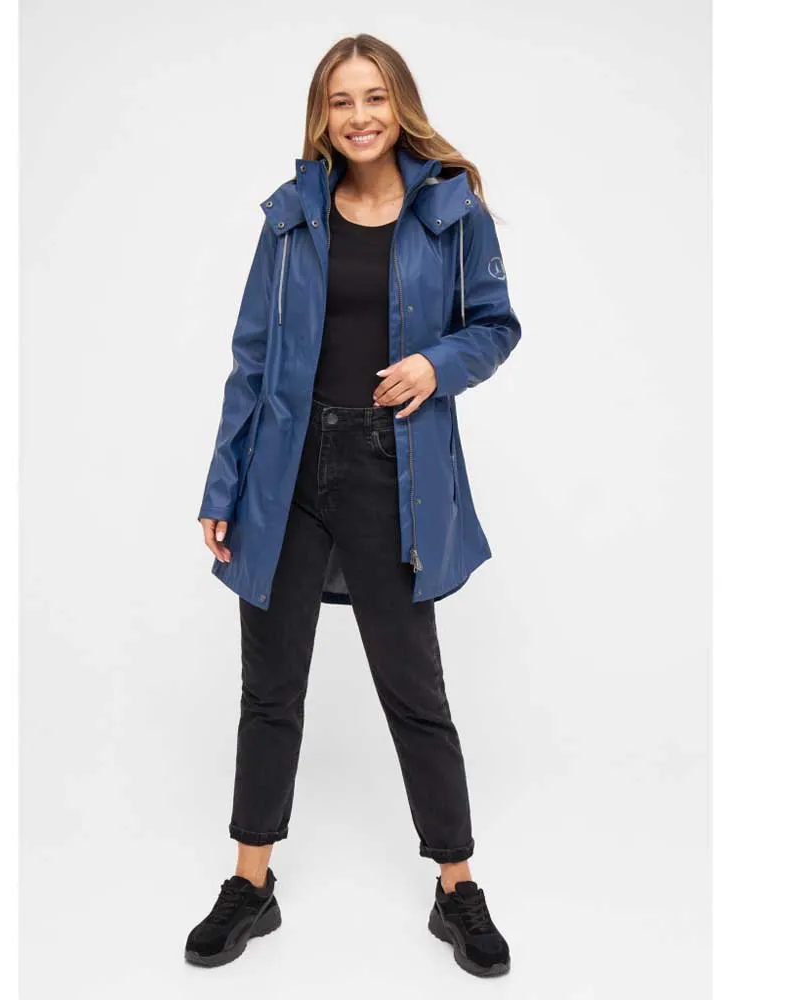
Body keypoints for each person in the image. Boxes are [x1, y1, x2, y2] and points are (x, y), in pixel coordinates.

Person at [185, 33, 521, 978]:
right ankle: (251, 885)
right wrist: (223, 483)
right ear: (322, 116)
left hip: (390, 467)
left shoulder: (452, 211)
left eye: (375, 97)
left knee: (415, 690)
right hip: (284, 471)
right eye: (342, 101)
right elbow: (252, 358)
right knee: (270, 688)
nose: (360, 116)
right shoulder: (291, 217)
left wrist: (437, 365)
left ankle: (457, 888)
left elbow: (496, 325)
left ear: (398, 104)